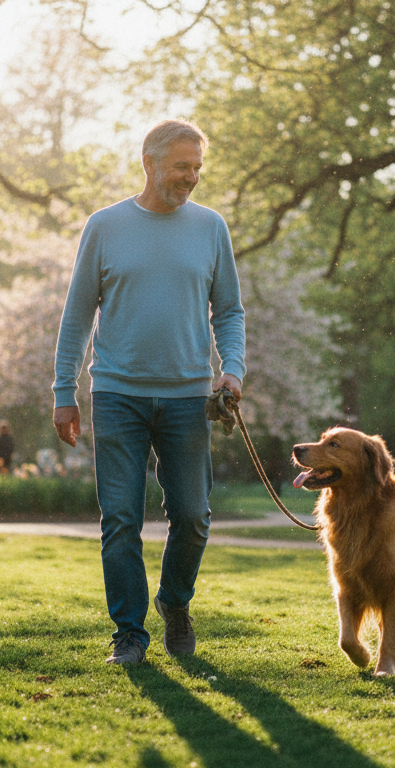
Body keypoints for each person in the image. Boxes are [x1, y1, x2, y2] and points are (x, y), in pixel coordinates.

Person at [52, 119, 246, 666]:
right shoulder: (105, 226)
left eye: (198, 167)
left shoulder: (211, 228)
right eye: (183, 166)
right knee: (120, 518)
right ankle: (130, 635)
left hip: (188, 397)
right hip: (117, 393)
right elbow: (76, 316)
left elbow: (228, 310)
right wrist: (63, 389)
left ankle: (174, 602)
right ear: (150, 162)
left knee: (193, 515)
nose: (192, 177)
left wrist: (232, 369)